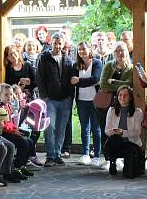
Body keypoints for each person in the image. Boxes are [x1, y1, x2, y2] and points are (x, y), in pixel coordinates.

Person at [36, 32, 75, 166]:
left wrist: (70, 97)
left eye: (60, 43)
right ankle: (50, 155)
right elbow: (39, 77)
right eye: (55, 43)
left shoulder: (68, 59)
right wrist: (44, 97)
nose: (58, 46)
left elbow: (71, 79)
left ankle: (57, 154)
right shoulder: (44, 57)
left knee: (60, 129)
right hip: (50, 99)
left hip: (65, 99)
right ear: (51, 43)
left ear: (63, 44)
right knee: (49, 127)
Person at [71, 42, 103, 166]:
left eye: (83, 49)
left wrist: (79, 80)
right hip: (81, 100)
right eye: (79, 49)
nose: (81, 51)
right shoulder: (76, 65)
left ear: (89, 49)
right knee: (84, 128)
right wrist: (85, 82)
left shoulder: (97, 63)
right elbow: (72, 81)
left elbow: (96, 78)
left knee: (96, 128)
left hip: (95, 100)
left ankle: (96, 156)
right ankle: (85, 154)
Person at [103, 86, 144, 177]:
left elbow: (137, 132)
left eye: (125, 95)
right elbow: (107, 130)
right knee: (113, 139)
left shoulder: (137, 112)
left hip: (131, 144)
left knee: (129, 174)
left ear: (130, 98)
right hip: (116, 142)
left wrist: (123, 132)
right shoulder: (111, 111)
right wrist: (115, 132)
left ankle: (129, 166)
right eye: (120, 95)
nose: (122, 97)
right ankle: (112, 162)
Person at [97, 42, 133, 142]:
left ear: (126, 51)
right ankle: (107, 155)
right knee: (106, 129)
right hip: (105, 103)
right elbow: (103, 84)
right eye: (117, 51)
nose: (120, 53)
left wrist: (113, 82)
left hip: (122, 103)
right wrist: (122, 86)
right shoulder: (109, 65)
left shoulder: (130, 68)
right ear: (114, 53)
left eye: (122, 50)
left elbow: (129, 85)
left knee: (120, 129)